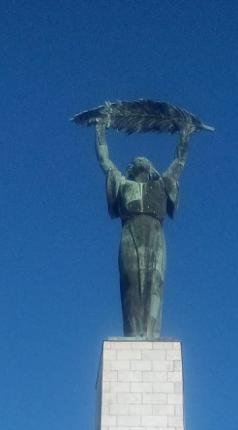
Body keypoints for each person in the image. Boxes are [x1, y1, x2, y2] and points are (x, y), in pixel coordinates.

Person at [95, 116, 192, 338]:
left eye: (144, 160)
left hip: (155, 234)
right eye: (135, 160)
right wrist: (100, 130)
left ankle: (151, 333)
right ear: (130, 169)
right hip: (130, 232)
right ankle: (133, 332)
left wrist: (185, 135)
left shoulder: (161, 185)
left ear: (150, 170)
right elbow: (104, 161)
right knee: (131, 282)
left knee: (154, 282)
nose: (139, 159)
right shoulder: (123, 184)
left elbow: (179, 162)